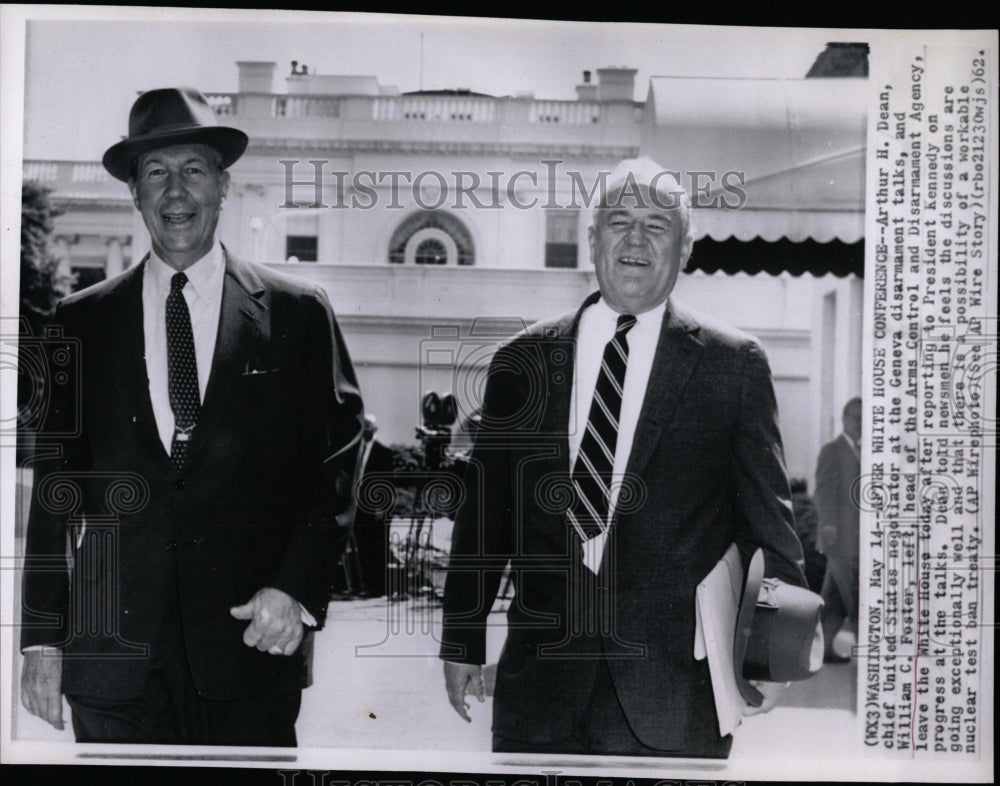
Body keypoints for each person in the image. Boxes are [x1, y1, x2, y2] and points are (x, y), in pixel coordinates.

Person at [19, 86, 364, 746]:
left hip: (247, 654)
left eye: (193, 171)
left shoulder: (297, 315)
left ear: (224, 185)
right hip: (111, 661)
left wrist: (294, 590)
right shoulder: (77, 324)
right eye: (156, 173)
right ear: (135, 193)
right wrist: (41, 637)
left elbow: (335, 472)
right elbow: (54, 493)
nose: (175, 193)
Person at [440, 157, 807, 757]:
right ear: (592, 239)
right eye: (618, 221)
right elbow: (484, 521)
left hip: (676, 702)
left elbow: (771, 525)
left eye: (657, 225)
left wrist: (775, 653)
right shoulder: (520, 362)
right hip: (541, 693)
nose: (635, 239)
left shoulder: (733, 366)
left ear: (685, 249)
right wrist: (461, 640)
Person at [815, 396, 862, 663]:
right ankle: (871, 652)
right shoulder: (832, 450)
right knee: (855, 593)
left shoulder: (862, 451)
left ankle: (818, 648)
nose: (860, 423)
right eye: (856, 417)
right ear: (844, 418)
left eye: (864, 418)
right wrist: (829, 524)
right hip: (838, 537)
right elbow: (824, 490)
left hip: (852, 538)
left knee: (833, 598)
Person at [351, 415, 397, 598]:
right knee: (364, 546)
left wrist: (382, 507)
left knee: (378, 547)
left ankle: (380, 587)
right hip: (360, 506)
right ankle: (368, 586)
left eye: (368, 427)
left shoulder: (383, 452)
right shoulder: (358, 450)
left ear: (373, 429)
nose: (365, 430)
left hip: (377, 507)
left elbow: (387, 483)